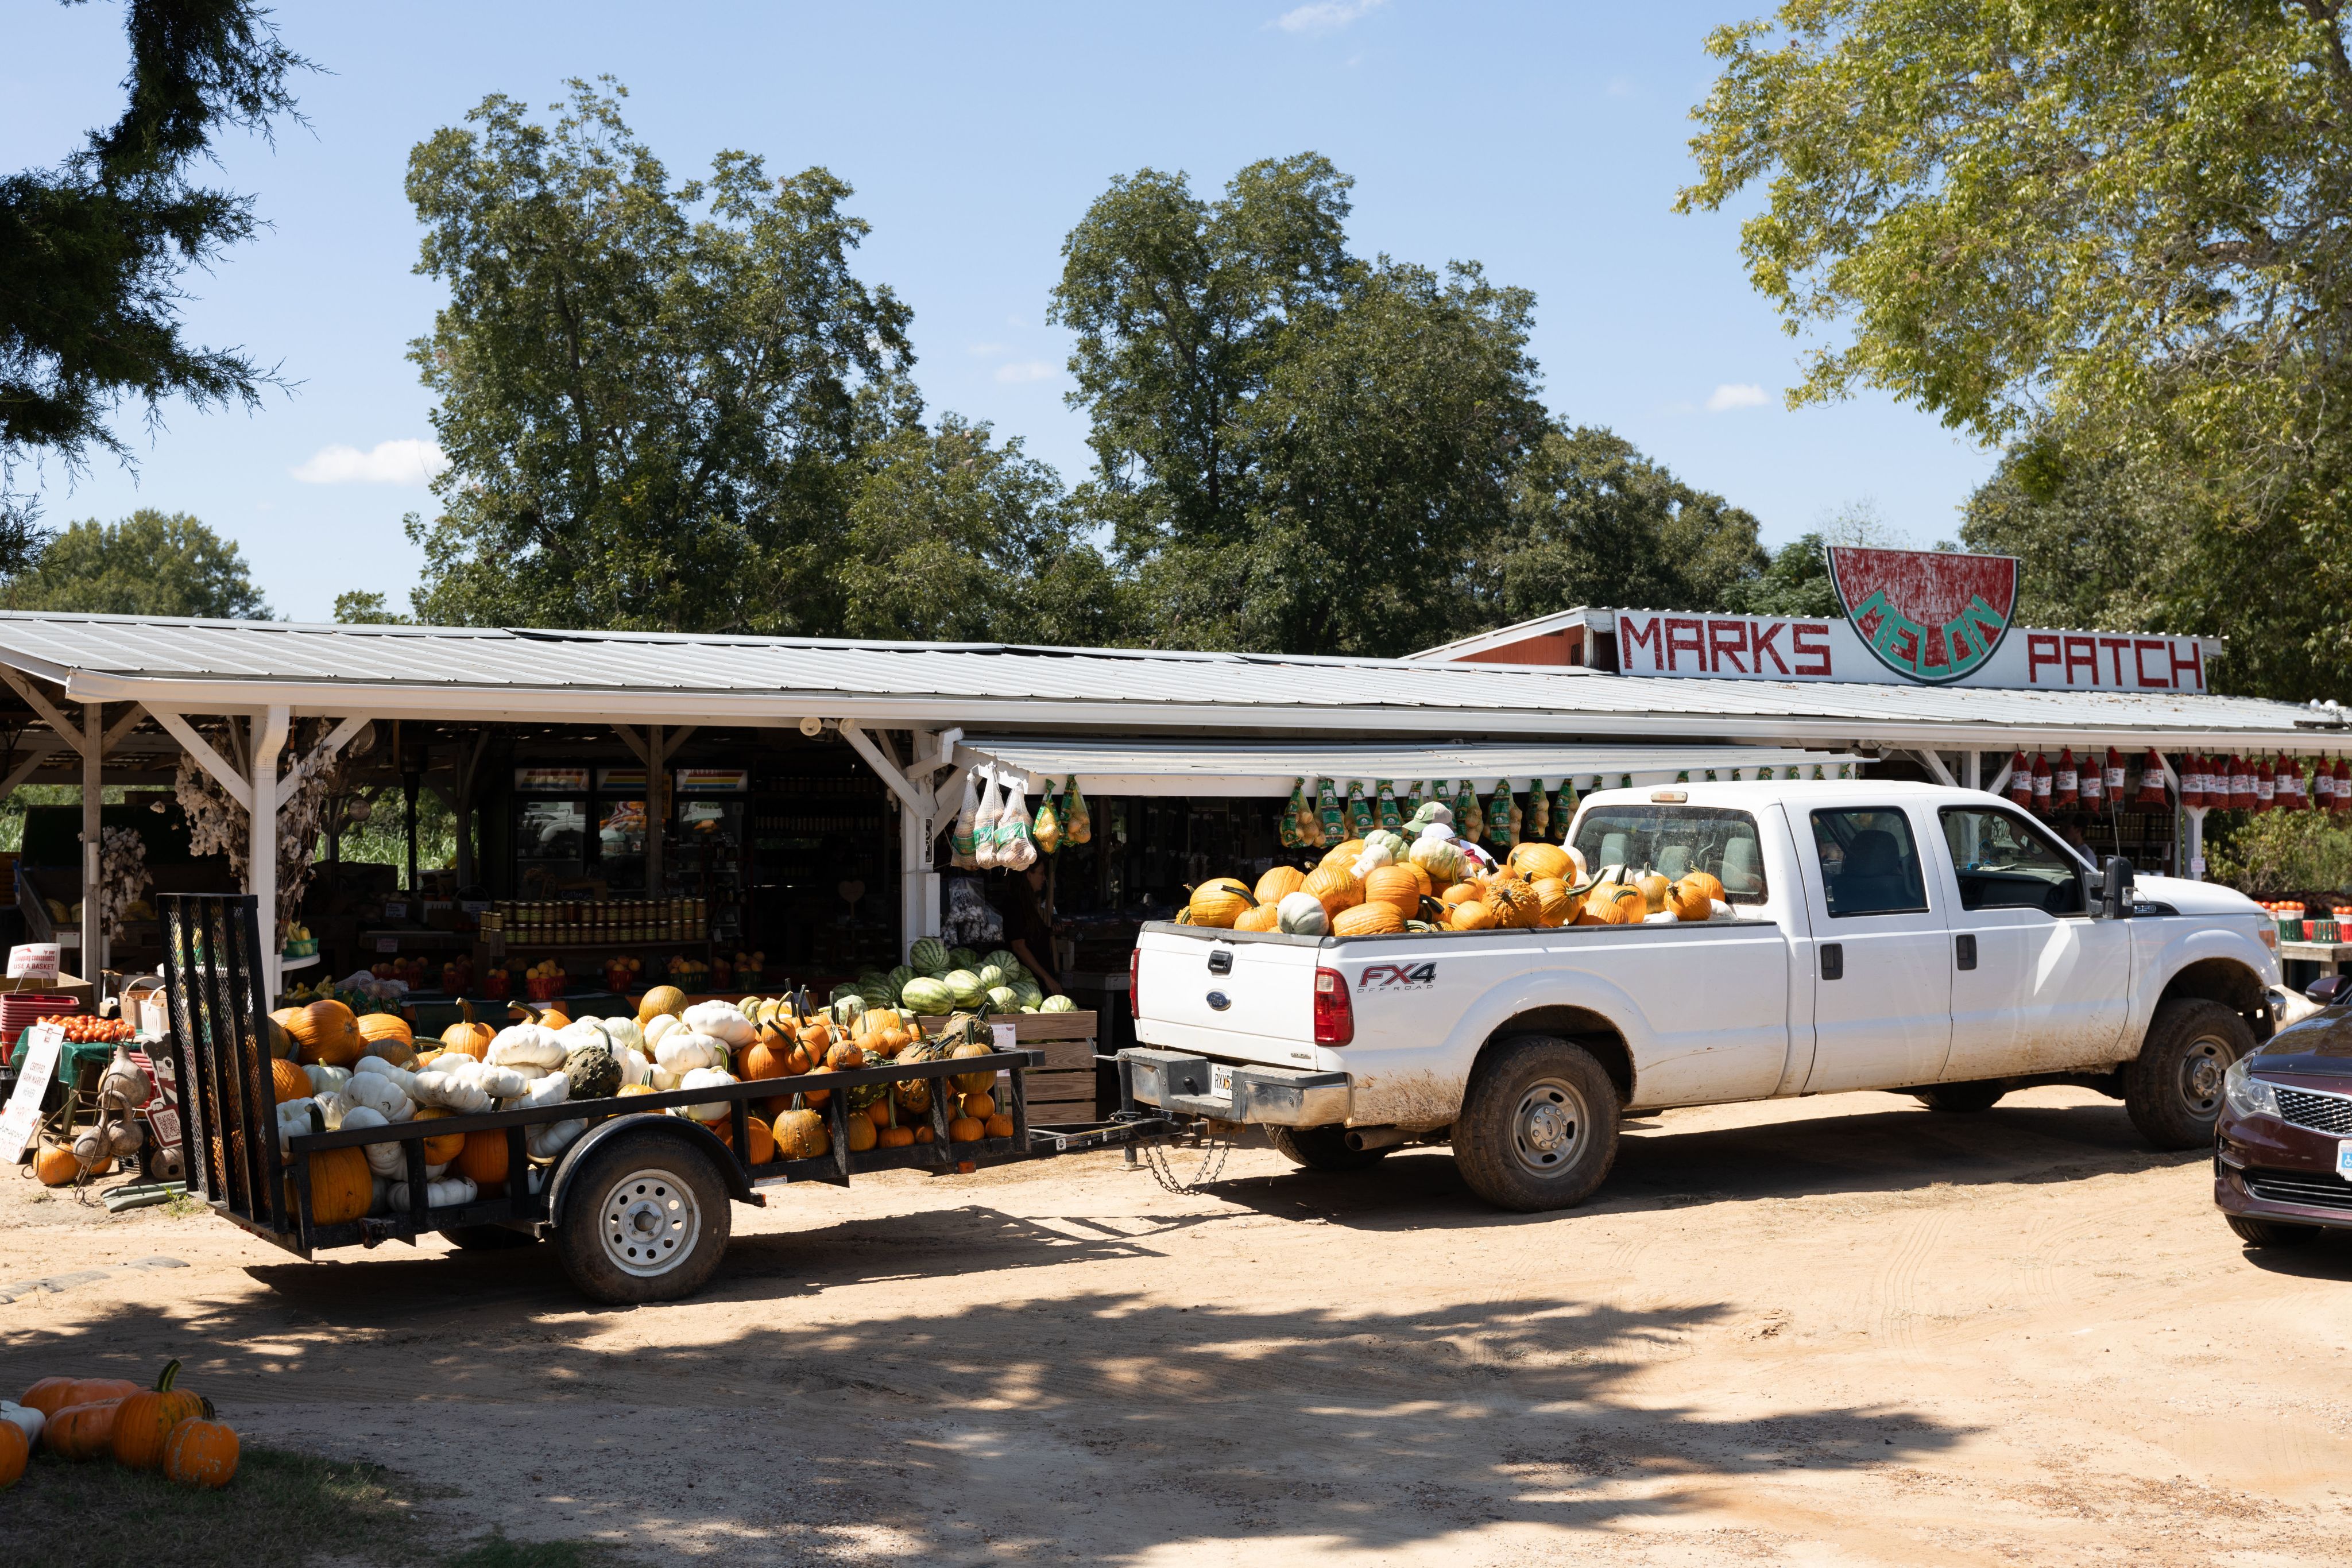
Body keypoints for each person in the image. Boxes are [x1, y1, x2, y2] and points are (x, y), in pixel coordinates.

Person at [1000, 862, 1064, 996]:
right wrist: (1047, 978)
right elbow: (1019, 947)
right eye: (1041, 873)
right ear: (1029, 875)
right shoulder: (1015, 905)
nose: (1044, 878)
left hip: (1037, 982)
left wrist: (1050, 932)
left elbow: (1030, 936)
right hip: (1029, 984)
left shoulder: (1028, 903)